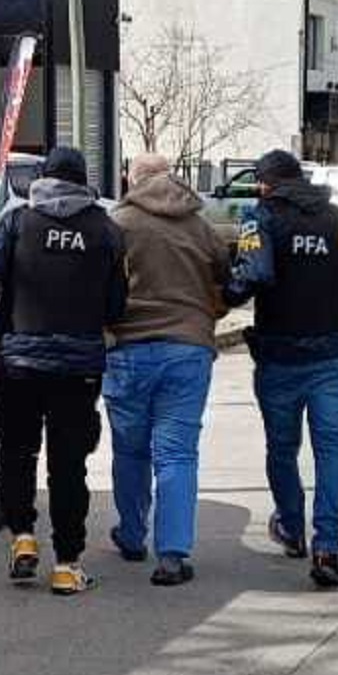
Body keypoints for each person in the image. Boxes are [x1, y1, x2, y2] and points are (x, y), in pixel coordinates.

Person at [0, 145, 127, 595]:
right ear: (84, 180)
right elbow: (117, 304)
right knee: (68, 466)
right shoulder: (107, 230)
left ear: (43, 177)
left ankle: (23, 538)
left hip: (20, 364)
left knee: (18, 454)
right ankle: (68, 565)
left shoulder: (15, 223)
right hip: (79, 367)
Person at [225, 149, 338, 588]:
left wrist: (225, 293)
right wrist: (336, 308)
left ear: (265, 183)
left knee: (282, 448)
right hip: (333, 355)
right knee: (332, 451)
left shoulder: (262, 218)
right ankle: (327, 545)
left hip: (279, 355)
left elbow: (252, 274)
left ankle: (292, 527)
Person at [104, 154, 231, 587]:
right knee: (177, 454)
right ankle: (173, 555)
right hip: (187, 349)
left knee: (129, 449)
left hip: (126, 348)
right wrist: (208, 314)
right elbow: (227, 280)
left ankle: (133, 534)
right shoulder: (200, 225)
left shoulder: (117, 223)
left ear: (132, 180)